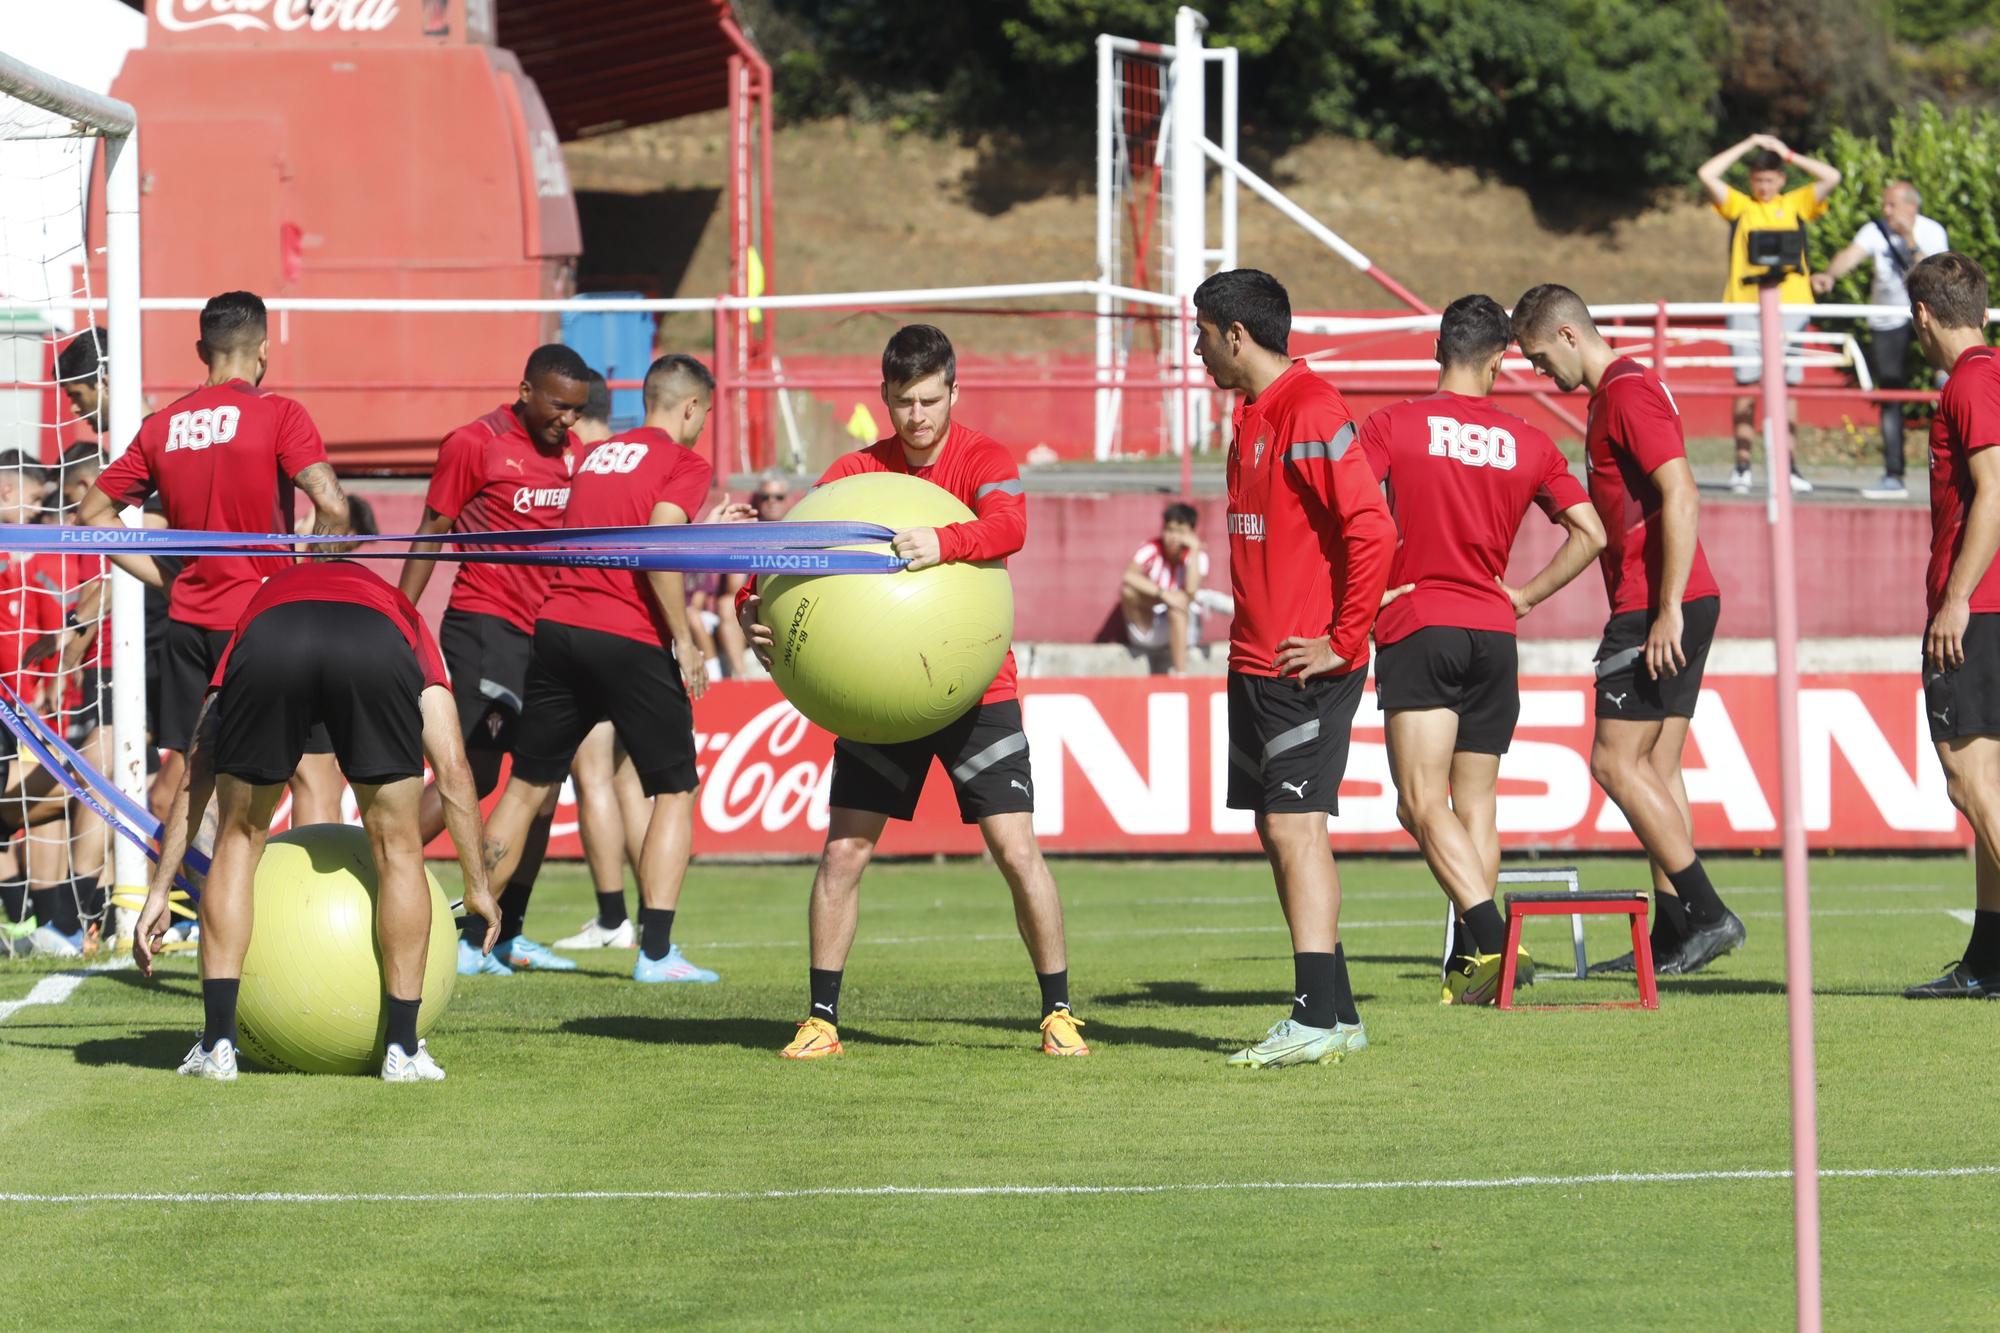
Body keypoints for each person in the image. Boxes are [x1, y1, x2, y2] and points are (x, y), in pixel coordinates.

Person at [738, 325, 1090, 1059]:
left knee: (1016, 849)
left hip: (976, 689)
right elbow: (786, 551)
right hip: (876, 695)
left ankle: (1059, 1011)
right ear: (886, 399)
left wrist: (945, 540)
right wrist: (750, 607)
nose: (919, 416)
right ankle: (821, 1020)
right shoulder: (852, 473)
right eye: (904, 402)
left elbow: (1010, 524)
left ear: (953, 393)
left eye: (931, 400)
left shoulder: (984, 457)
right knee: (843, 854)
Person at [133, 558, 498, 1081]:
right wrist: (478, 886)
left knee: (239, 838)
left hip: (273, 639)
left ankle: (216, 1046)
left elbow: (199, 765)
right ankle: (403, 1050)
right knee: (398, 849)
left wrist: (159, 891)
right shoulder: (402, 613)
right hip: (374, 644)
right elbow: (455, 768)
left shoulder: (260, 606)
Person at [1357, 295, 1606, 1003]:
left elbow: (1348, 510)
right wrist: (1523, 595)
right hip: (1495, 633)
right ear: (1499, 360)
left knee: (1416, 801)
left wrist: (1368, 596)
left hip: (1420, 622)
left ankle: (1493, 940)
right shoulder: (1526, 440)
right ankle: (1472, 970)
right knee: (1477, 806)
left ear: (1439, 351)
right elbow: (1590, 531)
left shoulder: (1392, 424)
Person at [1189, 269, 1394, 1067]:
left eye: (1202, 333)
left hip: (1306, 663)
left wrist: (1344, 639)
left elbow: (1371, 529)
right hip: (1256, 661)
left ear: (1236, 334)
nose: (1197, 348)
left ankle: (1311, 1014)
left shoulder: (1312, 408)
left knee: (1295, 826)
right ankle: (1335, 1012)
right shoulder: (1250, 416)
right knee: (1278, 831)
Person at [1512, 283, 1746, 975]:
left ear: (1567, 336)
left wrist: (1665, 603)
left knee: (1613, 761)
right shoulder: (1619, 394)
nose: (1538, 373)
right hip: (1677, 596)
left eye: (1537, 357)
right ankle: (1677, 933)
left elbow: (1682, 491)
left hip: (1656, 602)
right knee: (1658, 766)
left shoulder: (1625, 392)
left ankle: (1707, 913)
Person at [481, 354, 734, 985]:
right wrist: (685, 639)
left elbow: (625, 526)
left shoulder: (597, 455)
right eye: (704, 413)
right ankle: (656, 953)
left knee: (526, 787)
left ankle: (470, 936)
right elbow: (656, 544)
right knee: (674, 789)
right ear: (692, 407)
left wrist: (696, 533)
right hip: (628, 636)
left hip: (559, 628)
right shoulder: (684, 462)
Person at [78, 291, 352, 832]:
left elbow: (92, 516)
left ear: (201, 348)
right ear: (264, 351)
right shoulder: (278, 413)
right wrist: (310, 580)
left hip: (188, 627)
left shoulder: (163, 426)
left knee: (188, 782)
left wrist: (167, 579)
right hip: (262, 621)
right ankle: (297, 915)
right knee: (312, 777)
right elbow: (334, 507)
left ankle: (204, 912)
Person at [399, 343, 589, 977]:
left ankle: (509, 934)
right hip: (484, 626)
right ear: (527, 390)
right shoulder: (474, 444)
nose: (568, 421)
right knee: (474, 776)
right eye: (559, 407)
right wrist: (398, 616)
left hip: (548, 635)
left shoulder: (576, 456)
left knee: (543, 784)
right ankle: (387, 862)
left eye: (578, 410)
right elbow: (431, 528)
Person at [1904, 252, 2000, 997]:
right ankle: (1988, 961)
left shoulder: (1969, 381)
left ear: (1924, 315)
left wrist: (1957, 596)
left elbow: (1995, 489)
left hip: (1982, 608)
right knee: (1989, 783)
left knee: (1969, 779)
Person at [557, 369, 652, 951]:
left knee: (590, 773)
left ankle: (615, 919)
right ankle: (654, 918)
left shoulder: (582, 463)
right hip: (635, 632)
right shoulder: (635, 460)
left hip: (588, 625)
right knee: (626, 778)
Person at [1695, 132, 1842, 495]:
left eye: (1770, 179)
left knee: (1787, 385)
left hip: (1791, 303)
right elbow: (1706, 174)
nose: (1763, 186)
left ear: (1780, 179)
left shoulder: (1795, 203)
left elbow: (1831, 177)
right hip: (1745, 302)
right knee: (1746, 383)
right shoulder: (1741, 207)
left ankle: (1788, 465)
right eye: (1758, 180)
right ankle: (1742, 465)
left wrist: (1787, 153)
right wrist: (1747, 145)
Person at [1813, 181, 1949, 501]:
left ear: (1910, 206)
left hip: (1929, 318)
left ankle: (1955, 468)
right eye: (1884, 205)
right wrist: (1830, 275)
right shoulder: (1874, 230)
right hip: (1887, 319)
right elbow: (1850, 255)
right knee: (1890, 392)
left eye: (1891, 205)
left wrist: (1910, 241)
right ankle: (1893, 475)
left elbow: (1937, 277)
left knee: (1947, 385)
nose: (1885, 211)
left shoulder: (1932, 231)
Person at [1119, 501, 1233, 675]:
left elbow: (1190, 590)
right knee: (1129, 592)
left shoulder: (1197, 556)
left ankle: (1181, 675)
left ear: (1192, 533)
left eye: (1180, 532)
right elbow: (1128, 576)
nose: (1173, 537)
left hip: (1185, 626)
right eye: (1170, 530)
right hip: (1148, 627)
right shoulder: (1151, 548)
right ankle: (1208, 599)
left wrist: (1194, 550)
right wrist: (1163, 594)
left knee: (1181, 604)